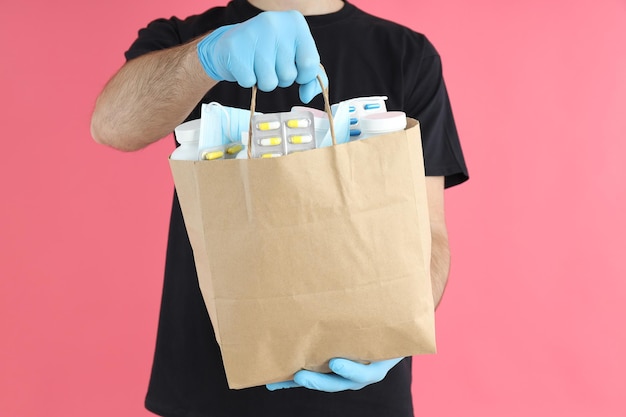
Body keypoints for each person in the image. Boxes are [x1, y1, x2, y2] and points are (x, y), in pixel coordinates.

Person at [90, 0, 468, 416]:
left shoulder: (406, 54)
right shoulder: (184, 39)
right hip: (207, 392)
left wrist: (401, 330)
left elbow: (430, 233)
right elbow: (112, 125)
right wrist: (207, 57)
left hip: (365, 402)